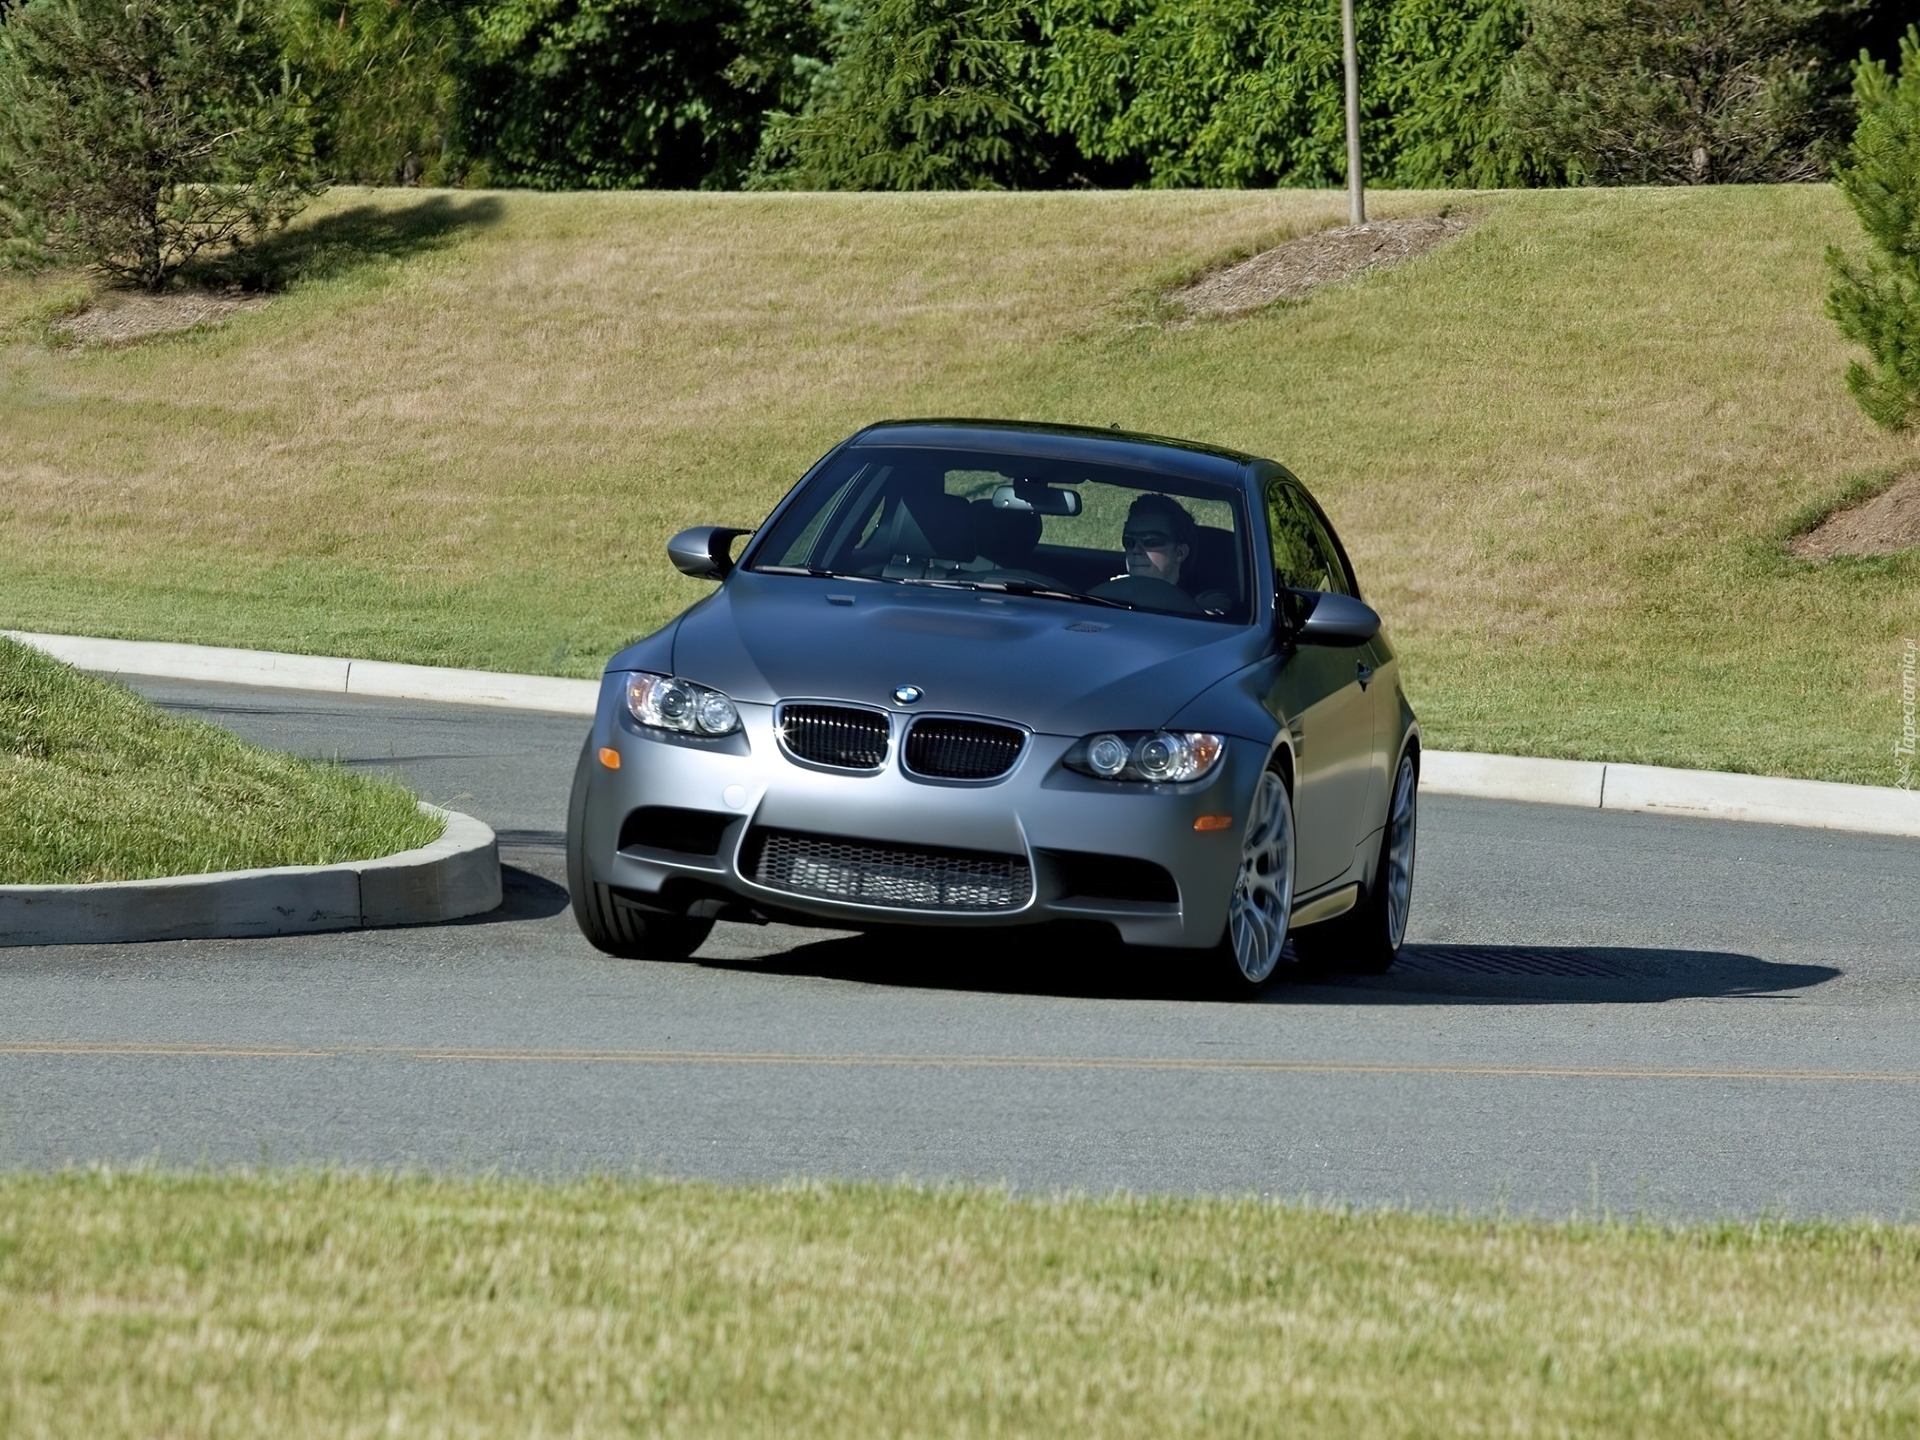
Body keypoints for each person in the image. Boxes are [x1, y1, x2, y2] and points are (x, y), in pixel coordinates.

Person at [1121, 493, 1196, 587]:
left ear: (1179, 553)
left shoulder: (1196, 601)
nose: (1135, 550)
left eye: (1151, 542)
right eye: (1129, 542)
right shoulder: (1110, 593)